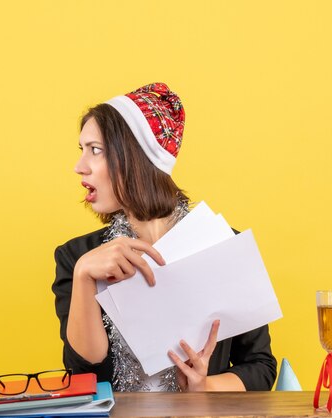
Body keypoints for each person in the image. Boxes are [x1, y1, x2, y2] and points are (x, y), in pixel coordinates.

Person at [52, 83, 277, 392]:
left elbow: (261, 368)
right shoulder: (76, 257)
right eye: (82, 150)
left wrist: (203, 386)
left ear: (134, 157)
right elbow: (83, 374)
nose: (79, 167)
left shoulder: (223, 246)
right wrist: (83, 276)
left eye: (95, 150)